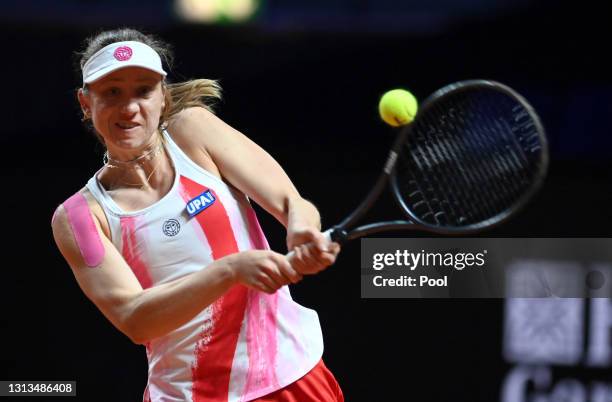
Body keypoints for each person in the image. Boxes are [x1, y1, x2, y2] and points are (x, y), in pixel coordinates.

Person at [51, 28, 343, 402]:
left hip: (289, 375)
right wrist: (231, 270)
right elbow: (135, 319)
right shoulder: (79, 218)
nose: (129, 107)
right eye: (112, 92)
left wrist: (302, 231)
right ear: (85, 103)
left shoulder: (194, 131)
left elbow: (291, 203)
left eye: (143, 90)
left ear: (163, 97)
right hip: (187, 395)